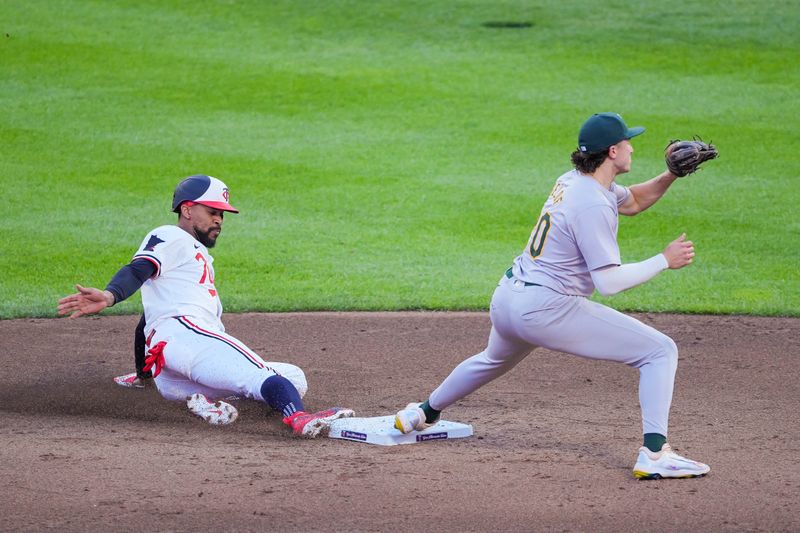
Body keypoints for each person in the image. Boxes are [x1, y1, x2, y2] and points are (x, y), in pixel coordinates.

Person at [394, 113, 714, 479]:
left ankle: (421, 413)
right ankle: (655, 455)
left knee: (492, 360)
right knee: (659, 351)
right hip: (545, 309)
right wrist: (663, 260)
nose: (633, 147)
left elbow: (634, 202)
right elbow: (608, 283)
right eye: (627, 142)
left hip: (509, 298)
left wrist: (671, 174)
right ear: (612, 151)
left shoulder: (576, 181)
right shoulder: (591, 203)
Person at [58, 174, 354, 437]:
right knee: (263, 378)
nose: (219, 220)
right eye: (212, 212)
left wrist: (143, 375)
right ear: (187, 210)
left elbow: (147, 319)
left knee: (292, 377)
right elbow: (137, 270)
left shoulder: (187, 259)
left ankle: (199, 402)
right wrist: (110, 295)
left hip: (172, 371)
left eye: (222, 215)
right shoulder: (172, 236)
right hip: (190, 339)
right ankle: (298, 418)